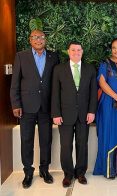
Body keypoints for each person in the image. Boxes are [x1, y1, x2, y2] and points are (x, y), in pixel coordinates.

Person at [10, 30, 59, 189]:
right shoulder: (21, 56)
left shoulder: (53, 57)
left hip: (46, 106)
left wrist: (56, 107)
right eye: (35, 37)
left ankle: (44, 170)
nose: (39, 40)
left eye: (42, 37)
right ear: (30, 39)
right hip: (26, 106)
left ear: (45, 39)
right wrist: (16, 104)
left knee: (46, 140)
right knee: (26, 140)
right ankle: (28, 172)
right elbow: (15, 83)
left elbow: (56, 84)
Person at [51, 41, 97, 187]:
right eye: (73, 50)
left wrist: (91, 111)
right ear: (68, 52)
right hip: (64, 114)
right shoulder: (59, 69)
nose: (76, 52)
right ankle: (68, 174)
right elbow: (55, 94)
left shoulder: (90, 69)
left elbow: (93, 93)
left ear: (82, 52)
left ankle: (80, 173)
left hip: (84, 114)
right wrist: (56, 113)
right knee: (65, 146)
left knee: (82, 144)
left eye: (78, 50)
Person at [93, 38, 117, 179]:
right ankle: (108, 169)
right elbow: (102, 82)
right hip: (108, 103)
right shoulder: (105, 63)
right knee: (107, 133)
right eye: (114, 47)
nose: (116, 50)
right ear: (111, 49)